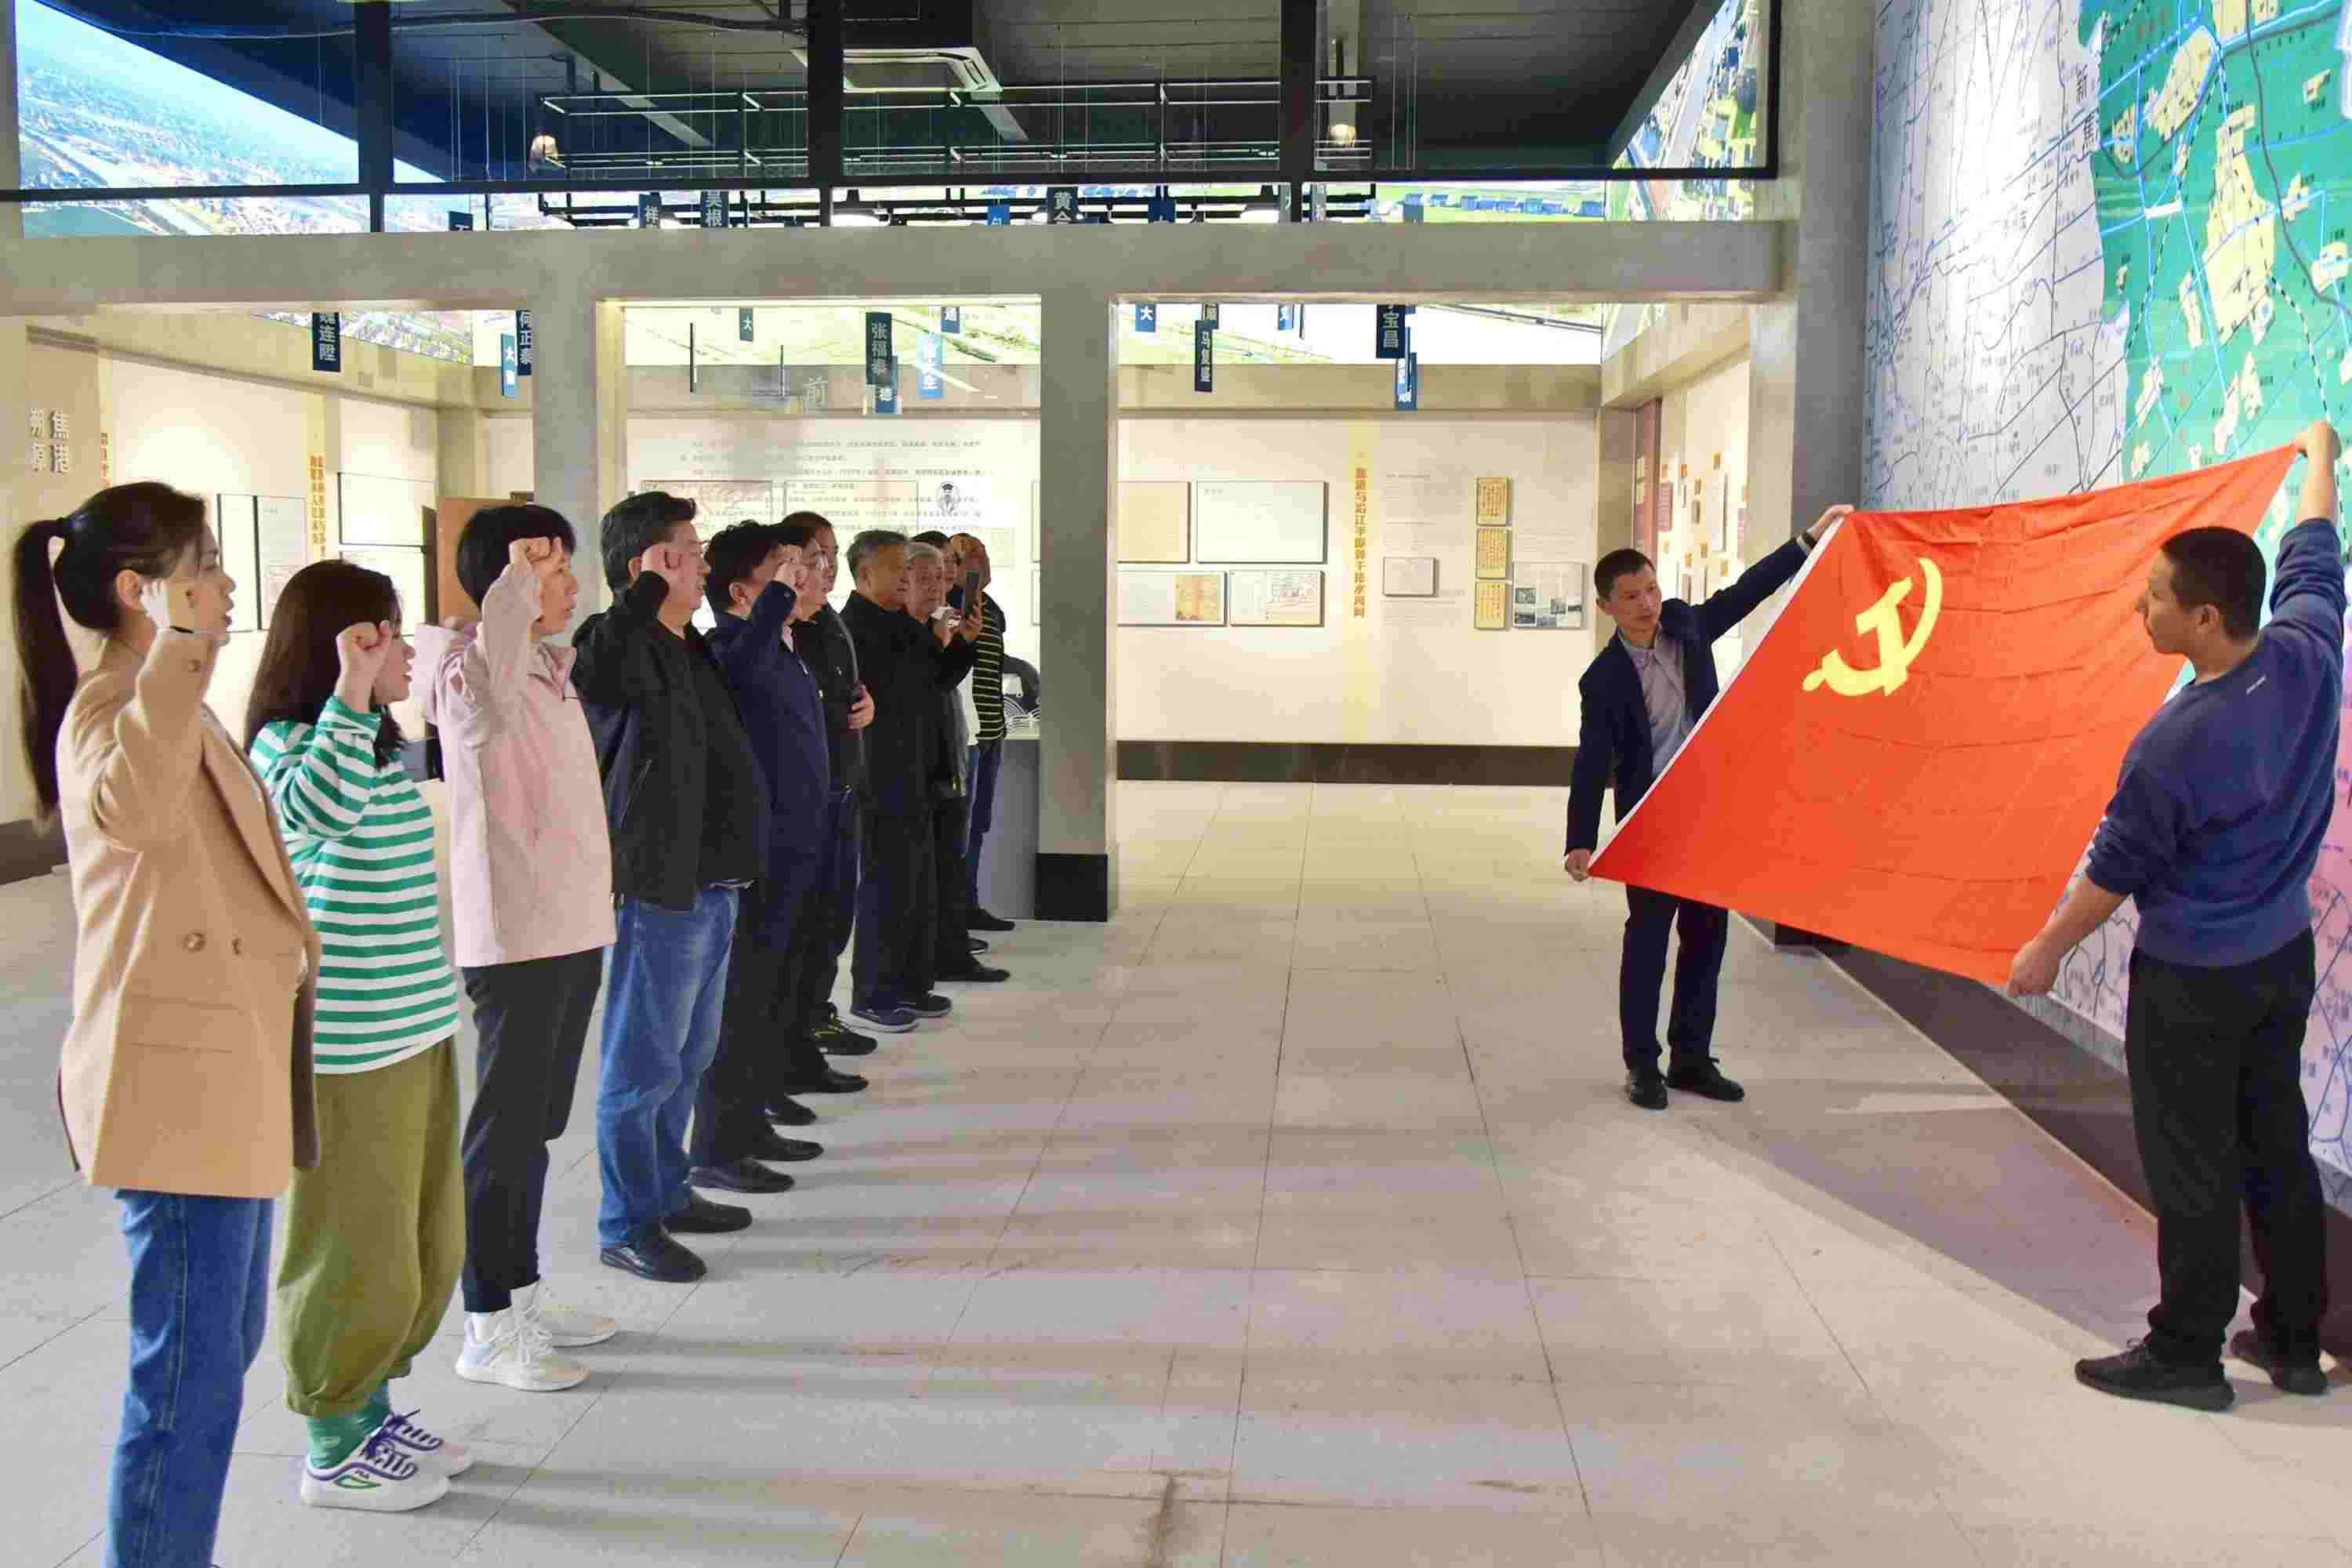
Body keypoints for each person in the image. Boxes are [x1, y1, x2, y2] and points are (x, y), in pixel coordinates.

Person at [2009, 419, 2343, 1411]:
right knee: (2275, 1138)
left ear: (2203, 616)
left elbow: (2113, 872)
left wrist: (2045, 949)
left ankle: (2187, 1352)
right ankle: (2293, 1339)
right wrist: (2322, 456)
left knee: (2192, 1161)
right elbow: (2315, 547)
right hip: (2281, 960)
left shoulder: (2174, 744)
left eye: (2154, 596)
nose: (2139, 606)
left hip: (2192, 983)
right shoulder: (2309, 652)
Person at [16, 485, 320, 1566]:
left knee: (218, 1350)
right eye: (203, 567)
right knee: (187, 1375)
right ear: (137, 591)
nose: (226, 585)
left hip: (221, 1067)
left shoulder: (161, 703)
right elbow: (136, 813)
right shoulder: (111, 709)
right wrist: (183, 652)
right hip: (176, 1083)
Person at [245, 561, 467, 1512]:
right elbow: (315, 814)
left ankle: (371, 1404)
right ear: (343, 645)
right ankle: (332, 1442)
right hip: (347, 1040)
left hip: (415, 1023)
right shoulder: (286, 745)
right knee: (349, 1239)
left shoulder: (372, 746)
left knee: (418, 1235)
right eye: (388, 633)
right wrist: (349, 690)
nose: (406, 650)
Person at [413, 505, 619, 1394]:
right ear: (508, 581)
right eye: (552, 568)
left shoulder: (541, 662)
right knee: (505, 1133)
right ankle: (488, 1321)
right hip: (519, 936)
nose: (571, 584)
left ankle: (522, 1292)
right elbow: (482, 711)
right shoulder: (461, 666)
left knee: (536, 1128)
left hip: (572, 923)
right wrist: (511, 592)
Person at [1565, 504, 1851, 1111]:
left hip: (1708, 813)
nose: (1647, 604)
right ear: (1606, 606)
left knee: (1706, 937)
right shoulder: (1603, 680)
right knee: (1648, 943)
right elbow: (1592, 762)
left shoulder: (1688, 627)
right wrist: (1580, 839)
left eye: (1651, 589)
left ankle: (1691, 1057)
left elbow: (1746, 592)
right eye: (1631, 597)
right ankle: (1642, 1064)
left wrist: (1810, 538)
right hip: (1650, 822)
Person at [572, 492, 768, 1284]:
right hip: (661, 886)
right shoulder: (619, 640)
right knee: (642, 1065)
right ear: (647, 564)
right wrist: (645, 587)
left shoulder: (686, 644)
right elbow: (596, 668)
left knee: (688, 1058)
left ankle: (666, 1190)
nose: (703, 564)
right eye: (686, 551)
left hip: (713, 882)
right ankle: (626, 1222)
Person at [689, 522, 834, 1194]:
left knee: (773, 992)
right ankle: (718, 1145)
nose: (797, 577)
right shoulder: (730, 646)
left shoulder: (783, 648)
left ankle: (752, 1121)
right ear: (743, 593)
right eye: (780, 569)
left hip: (800, 848)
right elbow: (743, 667)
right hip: (763, 856)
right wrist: (779, 600)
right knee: (743, 1001)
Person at [841, 530, 976, 1031]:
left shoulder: (902, 623)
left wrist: (962, 643)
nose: (906, 578)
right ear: (865, 575)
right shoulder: (854, 628)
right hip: (881, 776)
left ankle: (913, 985)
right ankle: (875, 993)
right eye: (897, 569)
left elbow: (935, 679)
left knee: (917, 885)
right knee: (886, 888)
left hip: (918, 772)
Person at [774, 513, 883, 1080]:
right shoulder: (783, 631)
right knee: (807, 925)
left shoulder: (828, 620)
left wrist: (864, 704)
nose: (827, 567)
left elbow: (843, 689)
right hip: (809, 798)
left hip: (843, 785)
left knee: (834, 915)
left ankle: (815, 1016)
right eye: (816, 557)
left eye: (831, 555)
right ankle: (799, 1031)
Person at [909, 533, 1007, 985]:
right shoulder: (935, 617)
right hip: (950, 741)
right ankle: (948, 931)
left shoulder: (979, 608)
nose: (951, 570)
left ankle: (961, 915)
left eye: (954, 562)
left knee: (970, 831)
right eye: (942, 564)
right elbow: (936, 680)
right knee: (948, 843)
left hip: (981, 729)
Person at [946, 531, 1017, 933]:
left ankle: (968, 902)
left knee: (979, 822)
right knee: (961, 824)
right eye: (966, 554)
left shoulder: (991, 608)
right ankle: (955, 909)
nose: (978, 559)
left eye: (981, 551)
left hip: (991, 729)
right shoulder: (951, 607)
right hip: (966, 732)